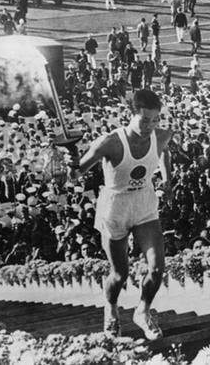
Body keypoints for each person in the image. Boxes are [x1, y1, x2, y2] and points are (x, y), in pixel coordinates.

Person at [68, 89, 173, 340]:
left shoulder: (162, 135)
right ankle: (111, 309)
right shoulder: (110, 142)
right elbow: (76, 174)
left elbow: (165, 150)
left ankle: (143, 311)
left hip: (145, 204)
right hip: (115, 207)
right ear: (131, 114)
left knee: (157, 268)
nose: (150, 126)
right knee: (119, 273)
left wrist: (167, 180)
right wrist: (70, 161)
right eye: (144, 119)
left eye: (155, 119)